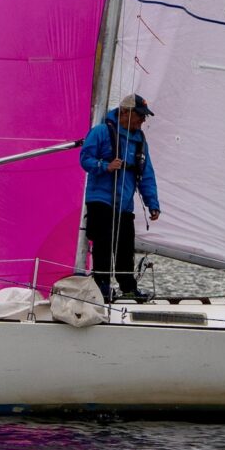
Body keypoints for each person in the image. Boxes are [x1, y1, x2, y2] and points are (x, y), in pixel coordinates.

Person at [80, 94, 161, 300]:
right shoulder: (101, 132)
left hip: (124, 204)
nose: (143, 120)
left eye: (144, 117)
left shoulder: (140, 141)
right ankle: (102, 287)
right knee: (103, 244)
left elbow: (147, 174)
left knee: (125, 247)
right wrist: (104, 166)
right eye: (140, 116)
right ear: (125, 112)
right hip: (101, 199)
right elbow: (85, 159)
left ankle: (128, 288)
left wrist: (153, 203)